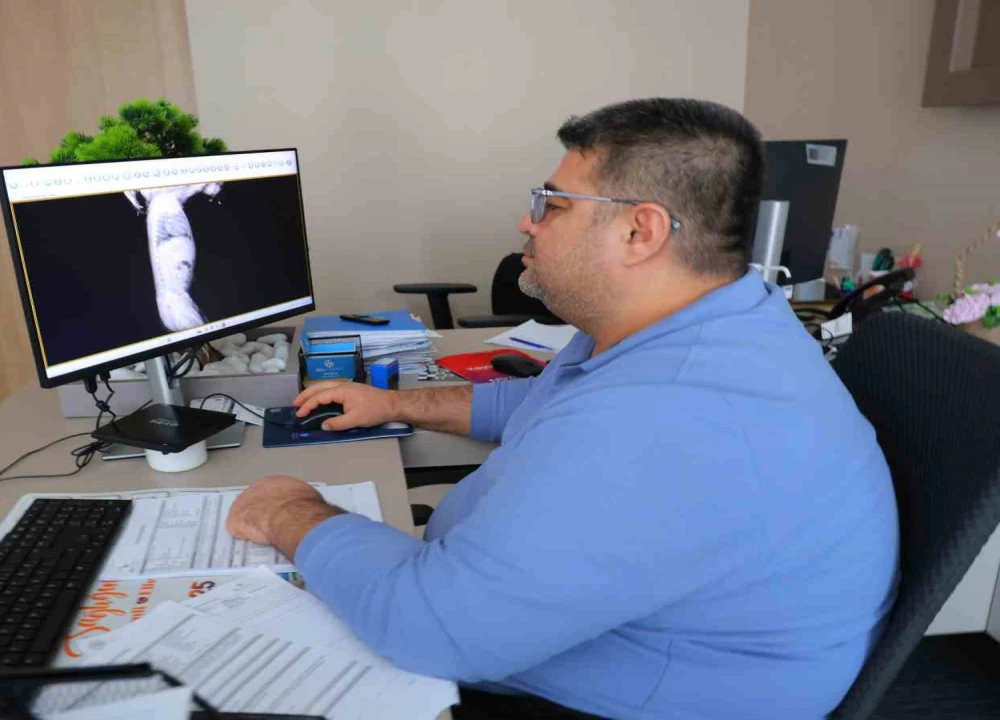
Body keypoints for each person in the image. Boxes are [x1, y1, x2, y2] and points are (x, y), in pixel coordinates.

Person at [226, 98, 899, 720]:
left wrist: (290, 511)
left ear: (640, 230)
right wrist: (396, 403)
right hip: (578, 626)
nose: (528, 221)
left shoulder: (669, 414)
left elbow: (432, 631)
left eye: (551, 203)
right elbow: (543, 400)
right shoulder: (710, 321)